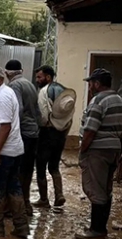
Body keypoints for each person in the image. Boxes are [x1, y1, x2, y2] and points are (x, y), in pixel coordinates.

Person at [78, 68, 122, 239]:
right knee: (106, 188)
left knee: (96, 188)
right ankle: (100, 227)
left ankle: (97, 229)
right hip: (113, 148)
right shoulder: (119, 100)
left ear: (97, 84)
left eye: (91, 83)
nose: (90, 87)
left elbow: (90, 130)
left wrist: (82, 150)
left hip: (97, 150)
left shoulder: (98, 100)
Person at [0, 65, 29, 238]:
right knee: (13, 188)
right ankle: (21, 226)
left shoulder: (2, 96)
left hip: (2, 152)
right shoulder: (3, 94)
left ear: (1, 79)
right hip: (12, 151)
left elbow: (5, 126)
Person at [34, 65, 77, 208]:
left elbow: (43, 115)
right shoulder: (64, 91)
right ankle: (59, 195)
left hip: (46, 133)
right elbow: (68, 118)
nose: (37, 80)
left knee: (40, 165)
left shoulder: (44, 92)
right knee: (54, 166)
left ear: (48, 77)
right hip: (60, 134)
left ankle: (44, 199)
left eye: (39, 77)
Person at [5, 59, 41, 217]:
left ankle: (16, 208)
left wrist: (11, 131)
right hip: (33, 132)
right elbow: (38, 111)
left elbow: (17, 109)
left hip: (23, 133)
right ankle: (26, 205)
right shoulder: (30, 84)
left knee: (16, 171)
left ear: (7, 73)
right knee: (27, 170)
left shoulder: (13, 86)